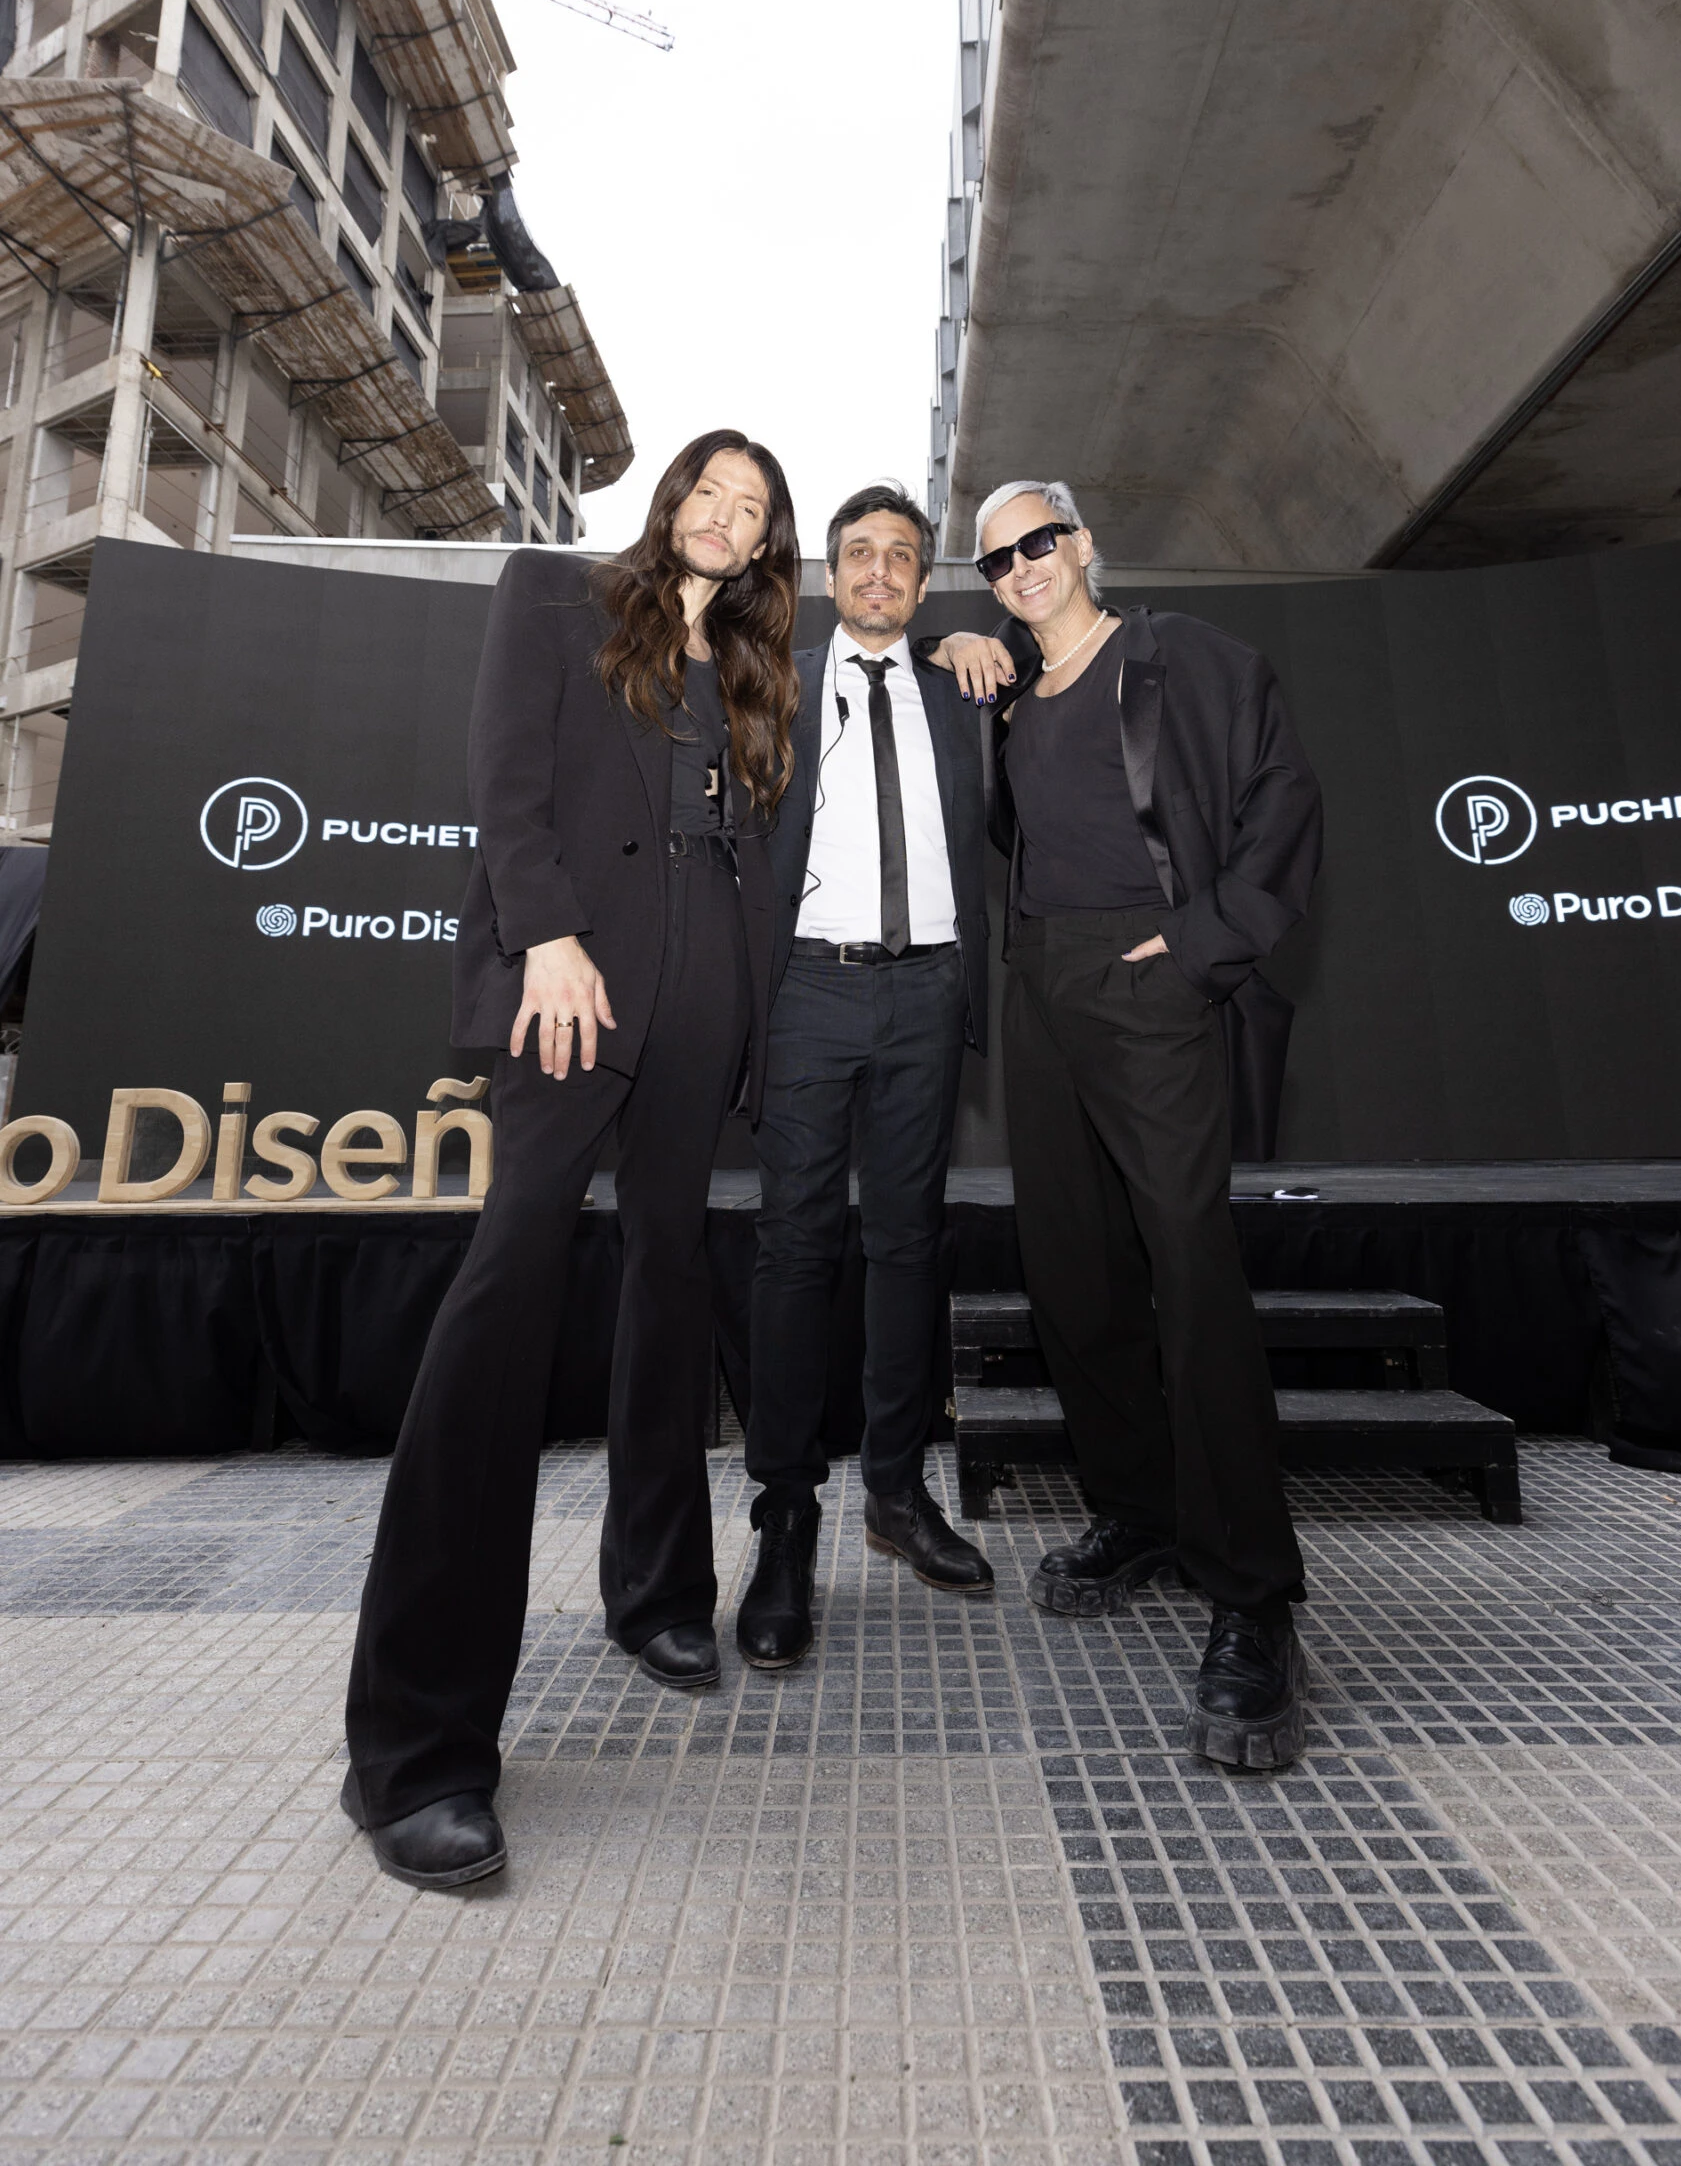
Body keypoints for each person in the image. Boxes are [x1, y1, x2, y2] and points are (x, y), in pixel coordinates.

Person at [342, 430, 798, 1888]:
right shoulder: (552, 594)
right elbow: (507, 784)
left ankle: (658, 1592)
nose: (726, 521)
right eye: (710, 494)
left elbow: (749, 851)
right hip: (569, 983)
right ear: (668, 497)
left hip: (701, 998)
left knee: (672, 1280)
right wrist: (541, 936)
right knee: (505, 1296)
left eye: (753, 510)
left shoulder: (749, 668)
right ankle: (410, 1751)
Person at [937, 479, 1323, 1768]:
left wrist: (1200, 944)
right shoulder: (1003, 691)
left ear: (1084, 542)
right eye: (997, 561)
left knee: (1192, 1271)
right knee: (1073, 1270)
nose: (1023, 568)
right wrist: (953, 639)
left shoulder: (1185, 660)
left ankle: (1254, 1599)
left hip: (1152, 974)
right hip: (1040, 977)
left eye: (1040, 542)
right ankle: (1141, 1513)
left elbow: (1281, 807)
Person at [735, 483, 993, 1671]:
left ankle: (896, 1491)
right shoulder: (771, 677)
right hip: (807, 990)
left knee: (909, 1245)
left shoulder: (964, 683)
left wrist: (990, 642)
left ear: (925, 579)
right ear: (830, 573)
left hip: (928, 992)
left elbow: (1063, 659)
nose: (880, 571)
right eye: (859, 554)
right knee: (795, 1246)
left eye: (902, 555)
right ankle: (785, 1514)